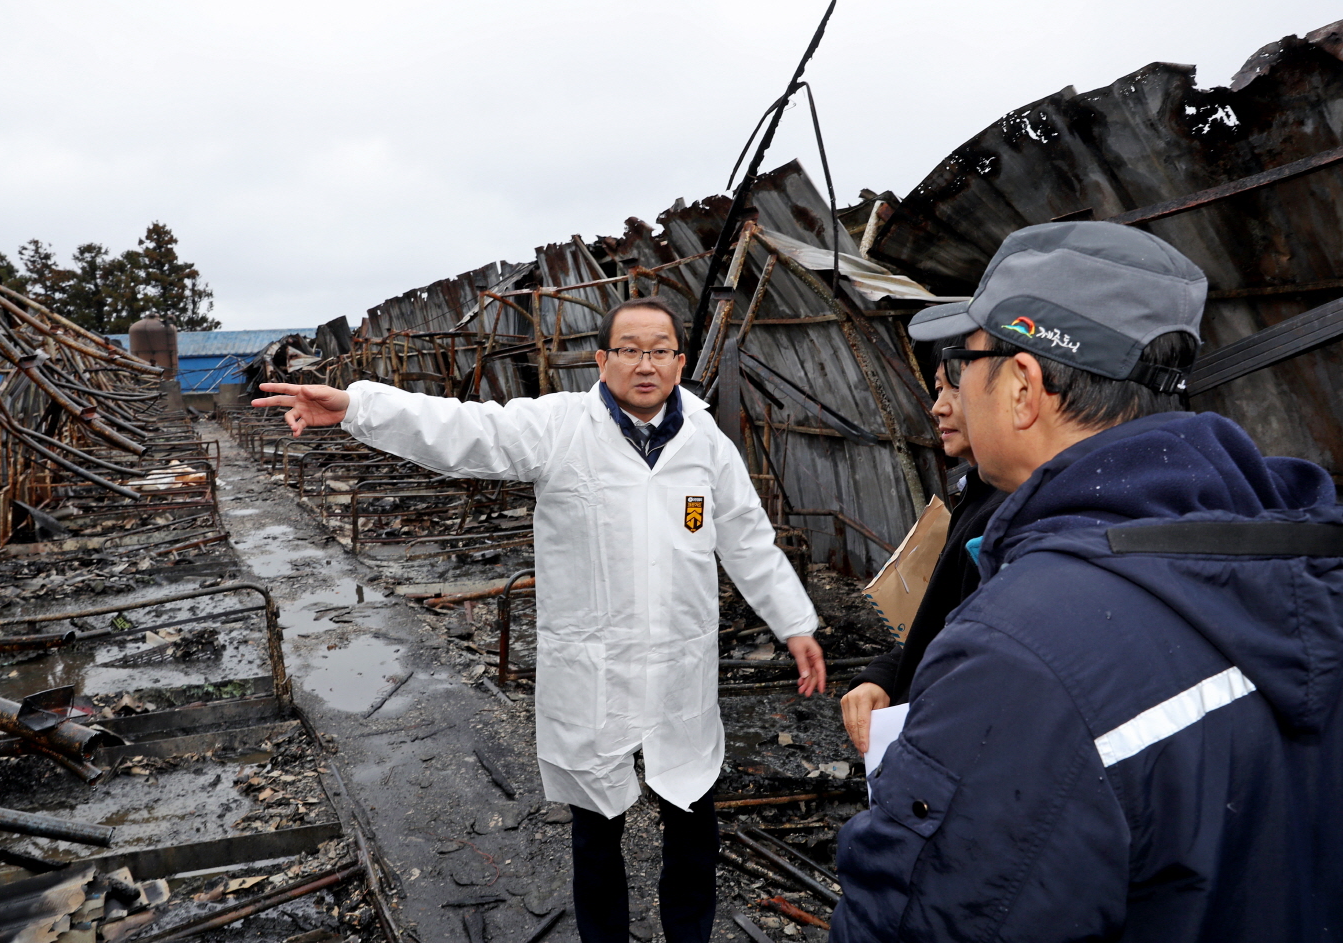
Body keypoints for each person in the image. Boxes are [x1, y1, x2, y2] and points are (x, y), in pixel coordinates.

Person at [829, 221, 1343, 942]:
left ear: (1022, 387)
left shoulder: (1021, 655)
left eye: (964, 357)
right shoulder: (1299, 559)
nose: (953, 386)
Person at [254, 297, 825, 943]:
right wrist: (359, 406)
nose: (646, 364)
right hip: (594, 672)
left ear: (680, 362)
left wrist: (794, 623)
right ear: (602, 359)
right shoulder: (561, 428)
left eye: (660, 350)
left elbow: (747, 537)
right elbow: (463, 430)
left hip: (678, 674)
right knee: (597, 840)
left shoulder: (704, 441)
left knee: (692, 834)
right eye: (630, 350)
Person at [839, 335, 1006, 753]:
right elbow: (944, 626)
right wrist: (889, 674)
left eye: (957, 387)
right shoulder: (979, 492)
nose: (939, 407)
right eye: (937, 389)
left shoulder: (1008, 519)